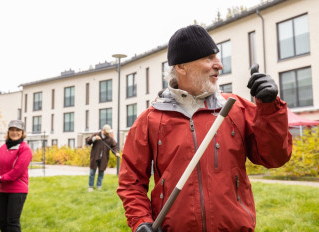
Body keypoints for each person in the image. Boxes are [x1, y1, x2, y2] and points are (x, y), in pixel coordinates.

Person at [117, 25, 292, 232]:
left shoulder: (235, 108)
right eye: (209, 58)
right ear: (181, 66)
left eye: (216, 57)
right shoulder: (150, 120)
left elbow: (275, 157)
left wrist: (270, 107)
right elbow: (131, 182)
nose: (219, 65)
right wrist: (140, 221)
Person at [0, 120, 32, 232]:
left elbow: (16, 171)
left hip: (17, 190)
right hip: (3, 189)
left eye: (18, 130)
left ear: (22, 132)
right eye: (12, 129)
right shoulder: (3, 147)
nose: (15, 132)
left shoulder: (24, 149)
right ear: (8, 131)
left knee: (12, 222)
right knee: (1, 220)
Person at [86, 124, 120, 192]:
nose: (108, 133)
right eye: (107, 132)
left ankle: (99, 186)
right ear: (103, 130)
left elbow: (114, 146)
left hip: (104, 158)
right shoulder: (96, 134)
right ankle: (91, 187)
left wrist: (116, 152)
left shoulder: (110, 139)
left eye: (109, 132)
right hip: (95, 157)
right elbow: (88, 141)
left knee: (101, 172)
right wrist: (94, 138)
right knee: (92, 172)